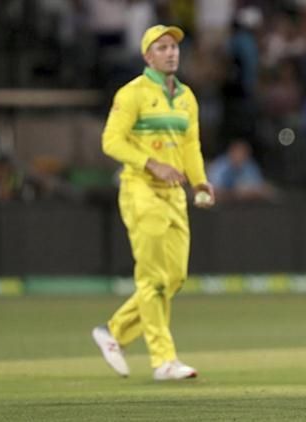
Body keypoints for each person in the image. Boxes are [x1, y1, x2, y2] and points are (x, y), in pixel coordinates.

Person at [92, 24, 215, 381]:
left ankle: (114, 332)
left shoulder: (187, 96)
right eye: (161, 47)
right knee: (153, 278)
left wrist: (200, 181)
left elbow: (191, 145)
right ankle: (163, 360)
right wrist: (151, 163)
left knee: (174, 279)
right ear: (147, 56)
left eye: (174, 46)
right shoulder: (132, 94)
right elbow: (110, 141)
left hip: (175, 195)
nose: (171, 52)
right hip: (140, 190)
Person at [207, 140, 275, 201]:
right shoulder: (220, 165)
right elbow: (214, 188)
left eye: (244, 154)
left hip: (245, 205)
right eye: (238, 153)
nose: (240, 156)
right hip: (221, 203)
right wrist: (234, 192)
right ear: (231, 152)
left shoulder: (250, 166)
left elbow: (259, 186)